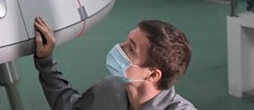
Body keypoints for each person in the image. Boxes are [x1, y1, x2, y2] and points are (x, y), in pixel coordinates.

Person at [33, 16, 197, 110]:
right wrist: (46, 62)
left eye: (131, 49)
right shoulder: (111, 89)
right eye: (127, 40)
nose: (119, 48)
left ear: (153, 74)